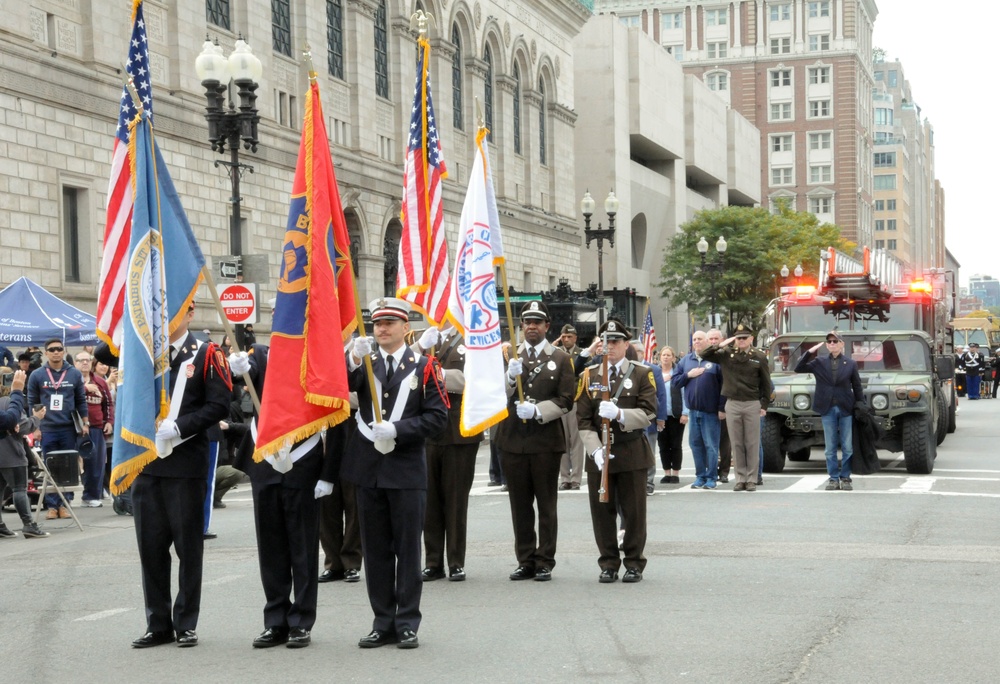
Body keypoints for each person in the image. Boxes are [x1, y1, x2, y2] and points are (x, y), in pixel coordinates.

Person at [342, 298, 448, 650]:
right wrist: (353, 358)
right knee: (375, 551)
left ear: (406, 328)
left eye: (389, 323)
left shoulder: (425, 366)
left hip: (404, 471)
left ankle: (407, 623)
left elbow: (438, 418)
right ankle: (382, 621)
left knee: (406, 549)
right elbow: (337, 387)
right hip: (370, 471)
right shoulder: (365, 364)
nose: (382, 329)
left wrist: (400, 429)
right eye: (377, 324)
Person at [130, 303, 232, 649]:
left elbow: (219, 405)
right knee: (151, 548)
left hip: (185, 464)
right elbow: (105, 351)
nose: (168, 319)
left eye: (176, 312)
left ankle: (185, 622)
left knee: (188, 548)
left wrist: (180, 426)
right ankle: (157, 623)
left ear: (190, 315)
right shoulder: (143, 351)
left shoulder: (206, 354)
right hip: (147, 464)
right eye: (163, 312)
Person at [229, 339, 339, 649]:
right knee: (271, 547)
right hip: (266, 461)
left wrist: (328, 474)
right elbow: (249, 370)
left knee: (302, 547)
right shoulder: (265, 352)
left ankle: (301, 621)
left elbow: (335, 414)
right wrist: (239, 368)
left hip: (303, 460)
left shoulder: (318, 355)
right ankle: (275, 619)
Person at [496, 300, 576, 582]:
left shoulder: (561, 359)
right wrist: (508, 377)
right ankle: (525, 559)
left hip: (545, 442)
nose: (532, 327)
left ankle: (545, 560)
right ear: (521, 326)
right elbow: (495, 395)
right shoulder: (509, 356)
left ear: (546, 327)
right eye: (527, 322)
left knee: (546, 505)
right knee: (519, 505)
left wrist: (540, 410)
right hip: (513, 441)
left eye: (537, 322)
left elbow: (567, 399)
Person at [577, 320, 657, 583]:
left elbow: (648, 412)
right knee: (602, 512)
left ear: (625, 344)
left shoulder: (641, 373)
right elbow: (583, 420)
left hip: (631, 450)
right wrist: (594, 450)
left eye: (615, 342)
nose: (609, 346)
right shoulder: (589, 376)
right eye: (605, 342)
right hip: (600, 455)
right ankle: (608, 563)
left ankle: (634, 562)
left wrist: (621, 413)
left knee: (634, 512)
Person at [416, 326, 483, 583]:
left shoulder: (473, 340)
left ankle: (456, 561)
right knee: (430, 503)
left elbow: (475, 380)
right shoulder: (423, 339)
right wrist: (421, 348)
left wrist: (439, 373)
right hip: (427, 432)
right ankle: (433, 562)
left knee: (455, 502)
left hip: (458, 431)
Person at [700, 325, 772, 492]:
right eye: (738, 338)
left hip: (751, 402)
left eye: (744, 338)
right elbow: (704, 354)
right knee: (736, 443)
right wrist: (722, 343)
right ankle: (740, 479)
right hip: (732, 403)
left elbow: (766, 383)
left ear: (751, 339)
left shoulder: (759, 356)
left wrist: (764, 404)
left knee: (752, 443)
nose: (741, 341)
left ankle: (752, 479)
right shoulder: (726, 354)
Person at [795, 331, 865, 491]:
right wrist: (810, 352)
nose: (832, 344)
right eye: (829, 342)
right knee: (830, 446)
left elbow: (857, 385)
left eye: (835, 341)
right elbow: (798, 368)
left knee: (847, 446)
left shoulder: (850, 363)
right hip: (827, 407)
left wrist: (861, 404)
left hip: (845, 407)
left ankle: (846, 477)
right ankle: (833, 478)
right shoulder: (819, 361)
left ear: (841, 344)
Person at [26, 338, 88, 518]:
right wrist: (35, 428)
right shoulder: (37, 375)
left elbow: (81, 400)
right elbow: (32, 402)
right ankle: (52, 505)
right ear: (46, 352)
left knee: (68, 466)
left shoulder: (74, 374)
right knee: (51, 465)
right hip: (47, 427)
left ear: (63, 351)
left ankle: (65, 504)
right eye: (52, 349)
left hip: (68, 427)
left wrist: (85, 422)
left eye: (59, 349)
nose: (55, 352)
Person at [672, 331, 726, 489]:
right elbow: (675, 382)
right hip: (693, 412)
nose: (697, 342)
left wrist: (722, 408)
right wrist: (688, 375)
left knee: (711, 446)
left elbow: (724, 386)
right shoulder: (685, 361)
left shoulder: (715, 360)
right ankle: (700, 476)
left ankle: (711, 477)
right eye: (694, 339)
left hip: (710, 412)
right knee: (695, 445)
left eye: (700, 339)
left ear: (707, 341)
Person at [0, 370, 49, 539]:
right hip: (12, 454)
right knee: (19, 489)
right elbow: (22, 425)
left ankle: (0, 525)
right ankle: (29, 525)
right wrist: (36, 418)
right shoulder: (11, 401)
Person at [74, 351, 114, 507]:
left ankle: (91, 496)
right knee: (70, 463)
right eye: (81, 360)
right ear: (75, 363)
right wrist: (84, 388)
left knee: (96, 463)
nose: (85, 363)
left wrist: (109, 421)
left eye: (87, 360)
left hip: (96, 427)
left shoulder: (100, 382)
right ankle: (64, 500)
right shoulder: (70, 380)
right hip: (74, 427)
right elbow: (67, 397)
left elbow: (108, 404)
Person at [556, 325, 585, 492]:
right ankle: (564, 478)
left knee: (576, 442)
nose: (566, 340)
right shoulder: (555, 353)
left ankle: (576, 479)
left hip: (574, 402)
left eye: (569, 337)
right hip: (559, 403)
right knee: (562, 441)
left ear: (575, 338)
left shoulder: (582, 354)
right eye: (564, 336)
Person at [656, 346, 688, 483]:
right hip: (660, 416)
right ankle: (666, 473)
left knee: (676, 444)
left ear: (673, 358)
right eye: (664, 355)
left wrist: (685, 413)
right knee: (663, 445)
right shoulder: (655, 373)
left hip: (676, 415)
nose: (666, 357)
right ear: (660, 357)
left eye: (669, 355)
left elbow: (684, 394)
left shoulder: (678, 373)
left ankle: (675, 473)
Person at [707, 329, 733, 484]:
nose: (713, 341)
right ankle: (711, 470)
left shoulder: (726, 356)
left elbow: (725, 385)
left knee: (724, 442)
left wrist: (722, 408)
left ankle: (724, 471)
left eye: (716, 338)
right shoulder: (706, 357)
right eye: (710, 339)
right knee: (709, 442)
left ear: (722, 339)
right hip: (707, 407)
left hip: (723, 405)